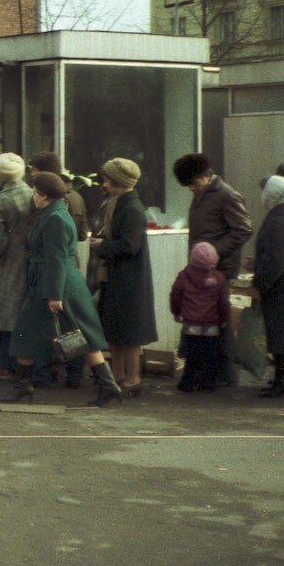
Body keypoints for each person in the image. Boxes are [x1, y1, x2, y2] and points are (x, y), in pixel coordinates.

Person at [0, 172, 123, 407]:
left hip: (54, 285)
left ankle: (22, 387)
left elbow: (55, 259)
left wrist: (54, 294)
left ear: (44, 195)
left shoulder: (54, 218)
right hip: (59, 283)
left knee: (29, 331)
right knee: (81, 335)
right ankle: (108, 387)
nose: (33, 196)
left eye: (35, 192)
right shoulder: (55, 213)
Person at [174, 152, 253, 387]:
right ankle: (207, 372)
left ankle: (225, 374)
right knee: (204, 317)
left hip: (220, 269)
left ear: (206, 176)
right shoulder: (204, 192)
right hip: (203, 268)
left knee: (220, 319)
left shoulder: (226, 195)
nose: (191, 189)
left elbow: (244, 229)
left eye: (193, 183)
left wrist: (214, 252)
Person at [90, 157, 157, 397]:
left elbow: (130, 245)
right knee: (117, 331)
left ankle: (132, 378)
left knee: (128, 334)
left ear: (118, 181)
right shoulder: (120, 203)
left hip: (128, 280)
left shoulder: (130, 209)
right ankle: (119, 376)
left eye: (107, 180)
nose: (103, 184)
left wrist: (101, 246)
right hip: (120, 277)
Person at [0, 153, 33, 382]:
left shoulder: (2, 200)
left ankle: (4, 363)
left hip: (9, 261)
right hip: (29, 258)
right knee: (25, 313)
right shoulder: (30, 193)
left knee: (8, 314)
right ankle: (23, 364)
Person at [253, 174, 284, 398]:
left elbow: (275, 259)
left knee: (282, 334)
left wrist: (260, 283)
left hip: (281, 289)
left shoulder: (279, 221)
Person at [170, 242, 230, 394]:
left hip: (191, 324)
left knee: (191, 356)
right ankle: (207, 385)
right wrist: (224, 319)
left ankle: (187, 383)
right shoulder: (220, 278)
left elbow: (175, 296)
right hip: (212, 325)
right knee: (211, 357)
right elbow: (223, 302)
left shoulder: (184, 275)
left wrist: (176, 313)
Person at [28, 151, 89, 269]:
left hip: (48, 265)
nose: (32, 174)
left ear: (42, 171)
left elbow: (32, 235)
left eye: (34, 169)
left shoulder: (43, 198)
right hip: (71, 263)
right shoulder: (77, 197)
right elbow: (82, 234)